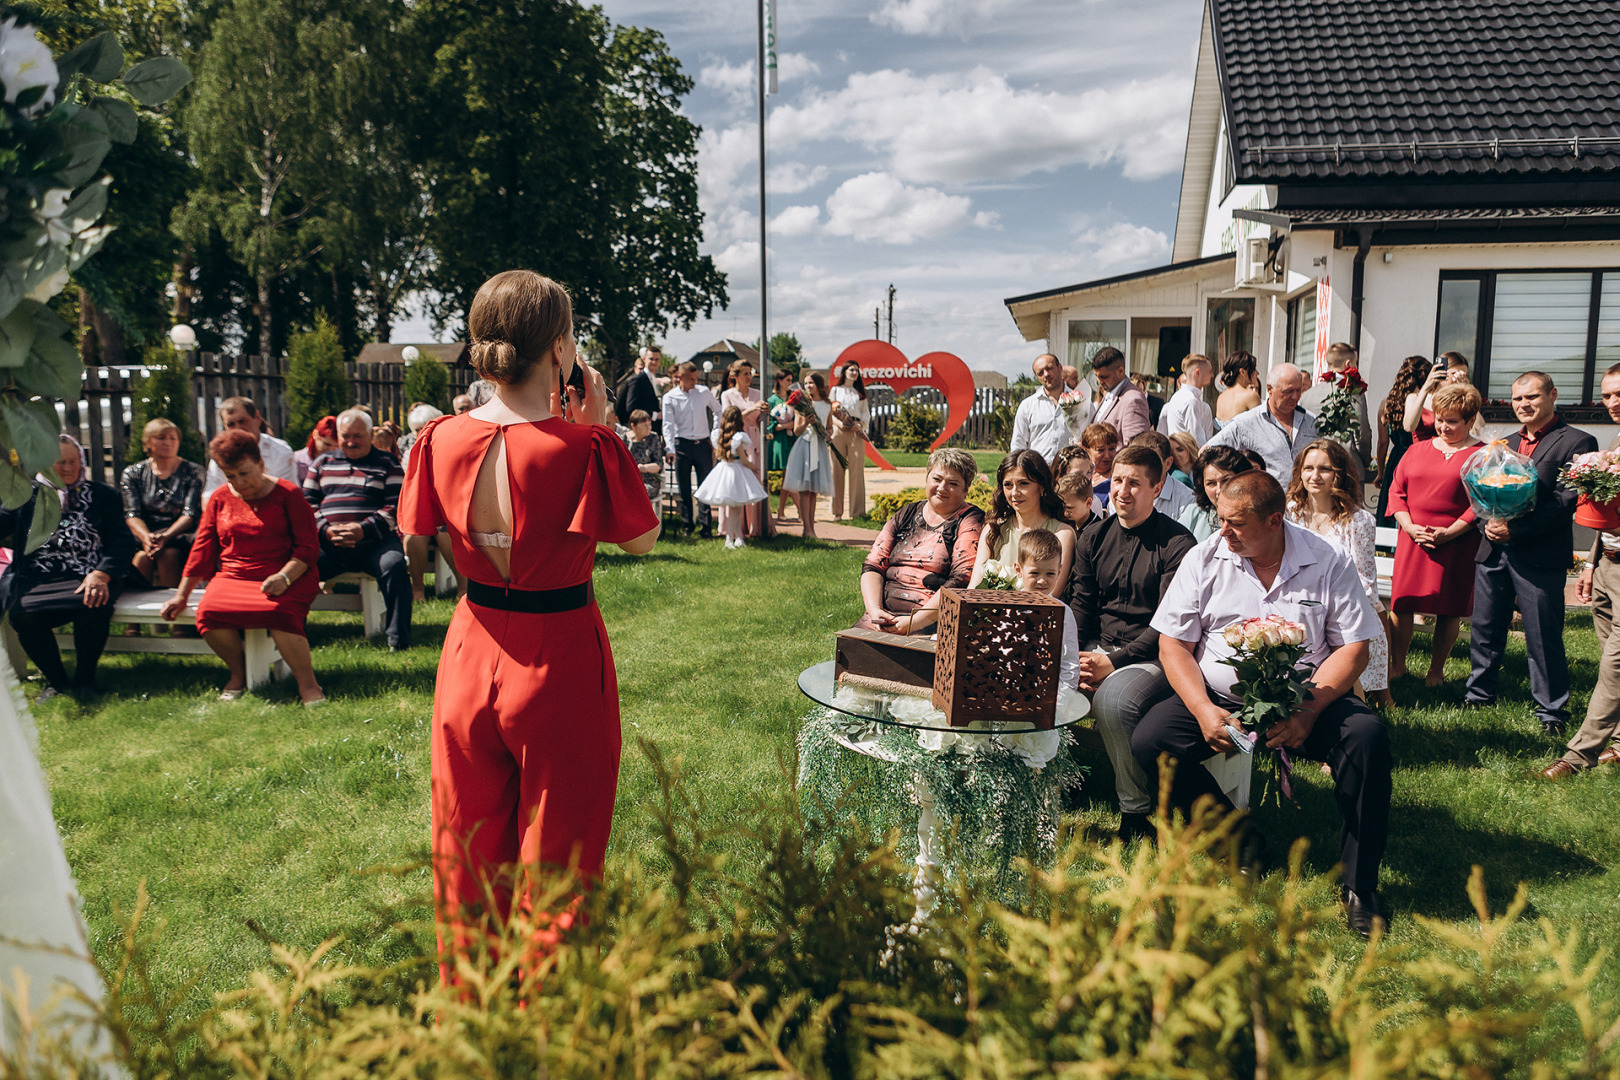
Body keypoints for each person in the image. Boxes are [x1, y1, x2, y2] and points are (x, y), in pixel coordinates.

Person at [396, 270, 660, 983]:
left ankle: (471, 1010)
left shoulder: (435, 441)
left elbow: (434, 534)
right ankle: (542, 1021)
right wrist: (599, 432)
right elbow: (642, 540)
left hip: (471, 642)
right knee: (561, 854)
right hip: (561, 653)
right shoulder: (587, 448)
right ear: (561, 347)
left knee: (466, 846)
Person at [1131, 471, 1392, 936]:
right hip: (1223, 699)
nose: (1223, 531)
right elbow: (1172, 644)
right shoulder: (1205, 558)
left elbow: (1355, 647)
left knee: (1367, 737)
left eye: (1237, 523)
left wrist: (1309, 711)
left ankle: (1359, 885)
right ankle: (1239, 836)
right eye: (1221, 519)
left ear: (1275, 521)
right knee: (1153, 740)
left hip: (1307, 697)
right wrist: (1202, 710)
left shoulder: (1326, 559)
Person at [1070, 444, 1195, 842]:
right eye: (1118, 480)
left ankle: (1137, 816)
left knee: (1113, 699)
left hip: (1157, 657)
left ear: (1158, 488)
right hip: (1097, 648)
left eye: (1135, 483)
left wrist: (1114, 662)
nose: (1123, 491)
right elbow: (1081, 606)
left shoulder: (1177, 544)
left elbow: (1167, 625)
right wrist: (1074, 657)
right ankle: (1051, 787)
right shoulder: (1093, 536)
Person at [1463, 371, 1596, 735]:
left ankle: (1551, 711)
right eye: (1518, 399)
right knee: (1485, 629)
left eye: (1532, 397)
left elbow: (1565, 501)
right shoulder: (1501, 444)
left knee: (1542, 634)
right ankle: (1479, 696)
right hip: (1492, 550)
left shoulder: (1578, 441)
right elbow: (1479, 493)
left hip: (1539, 553)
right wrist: (1486, 523)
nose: (1524, 405)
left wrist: (1515, 529)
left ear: (1553, 395)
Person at [162, 429, 325, 705]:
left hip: (289, 573)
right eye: (230, 476)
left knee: (279, 611)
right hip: (234, 576)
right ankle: (239, 673)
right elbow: (202, 548)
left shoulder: (289, 494)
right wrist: (182, 594)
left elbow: (308, 549)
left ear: (261, 465)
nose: (239, 482)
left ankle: (308, 684)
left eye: (245, 473)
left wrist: (284, 578)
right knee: (208, 613)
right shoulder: (219, 498)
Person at [0, 436, 136, 700]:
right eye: (60, 462)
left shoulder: (103, 495)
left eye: (74, 461)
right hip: (39, 576)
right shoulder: (26, 495)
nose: (68, 468)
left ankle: (85, 680)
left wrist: (101, 574)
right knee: (23, 613)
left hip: (89, 572)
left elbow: (122, 541)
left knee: (94, 602)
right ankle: (57, 682)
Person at [1546, 363, 1620, 779]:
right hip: (1609, 564)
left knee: (1614, 666)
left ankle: (1578, 756)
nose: (1612, 403)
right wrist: (1591, 563)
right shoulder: (1618, 439)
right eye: (1607, 395)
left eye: (1619, 395)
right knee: (1611, 656)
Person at [1386, 382, 1485, 686]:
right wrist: (1410, 526)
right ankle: (1398, 665)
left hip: (1458, 539)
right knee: (1402, 603)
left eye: (1452, 421)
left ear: (1470, 420)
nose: (1443, 426)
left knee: (1450, 607)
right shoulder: (1416, 450)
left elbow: (1482, 500)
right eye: (1440, 419)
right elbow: (1396, 491)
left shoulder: (1481, 454)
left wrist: (1451, 532)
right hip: (1413, 537)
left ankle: (1436, 671)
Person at [1286, 438, 1391, 707]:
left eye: (1325, 469)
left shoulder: (1358, 521)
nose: (1315, 476)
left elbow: (1366, 582)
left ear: (1339, 474)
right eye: (1308, 468)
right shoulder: (1289, 515)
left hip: (1343, 604)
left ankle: (1360, 701)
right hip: (1295, 603)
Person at [301, 409, 413, 650]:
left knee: (395, 566)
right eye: (345, 436)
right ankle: (293, 634)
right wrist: (325, 530)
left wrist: (364, 529)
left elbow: (397, 506)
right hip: (329, 543)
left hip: (376, 542)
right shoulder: (322, 463)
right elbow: (306, 503)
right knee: (298, 567)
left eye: (358, 436)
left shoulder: (387, 463)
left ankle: (398, 639)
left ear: (370, 434)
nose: (351, 442)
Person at [855, 447, 985, 634]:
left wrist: (914, 622)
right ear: (927, 479)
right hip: (881, 617)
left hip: (931, 624)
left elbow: (961, 579)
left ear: (966, 489)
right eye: (937, 479)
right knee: (851, 654)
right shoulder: (907, 513)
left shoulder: (970, 520)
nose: (942, 488)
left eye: (953, 483)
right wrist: (875, 611)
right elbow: (873, 565)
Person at [969, 449, 1075, 587]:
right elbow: (974, 587)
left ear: (1042, 486)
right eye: (1008, 485)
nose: (1015, 493)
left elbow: (1052, 592)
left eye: (1023, 483)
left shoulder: (1061, 534)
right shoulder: (993, 529)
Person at [121, 418, 206, 588]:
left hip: (180, 534)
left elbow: (190, 513)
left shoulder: (194, 471)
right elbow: (132, 513)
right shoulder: (133, 473)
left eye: (172, 438)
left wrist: (166, 537)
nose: (167, 442)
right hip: (147, 533)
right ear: (147, 442)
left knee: (169, 556)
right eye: (161, 438)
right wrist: (146, 537)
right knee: (142, 557)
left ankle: (174, 605)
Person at [1203, 362, 1318, 484]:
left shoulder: (1311, 421)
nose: (1295, 397)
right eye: (1288, 391)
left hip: (1305, 500)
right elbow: (1207, 451)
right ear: (1269, 389)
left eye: (1298, 390)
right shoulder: (1246, 423)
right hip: (1267, 500)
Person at [695, 405, 768, 549]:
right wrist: (755, 467)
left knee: (735, 509)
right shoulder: (739, 437)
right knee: (736, 510)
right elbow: (743, 458)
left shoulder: (718, 435)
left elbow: (719, 453)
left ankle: (738, 537)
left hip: (724, 469)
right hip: (737, 470)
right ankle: (729, 539)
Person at [662, 360, 721, 539]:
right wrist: (670, 448)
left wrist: (715, 433)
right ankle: (688, 526)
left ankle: (706, 528)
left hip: (703, 445)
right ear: (680, 377)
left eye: (696, 379)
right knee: (684, 489)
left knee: (705, 488)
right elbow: (668, 425)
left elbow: (718, 411)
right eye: (691, 379)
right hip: (682, 446)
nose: (695, 382)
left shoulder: (704, 392)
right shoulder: (670, 397)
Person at [1374, 356, 1434, 526]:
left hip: (1396, 457)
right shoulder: (1426, 403)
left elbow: (1382, 442)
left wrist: (1381, 472)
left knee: (1392, 499)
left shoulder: (1386, 404)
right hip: (1419, 456)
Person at [1299, 342, 1373, 475]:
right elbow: (1362, 433)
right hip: (1346, 465)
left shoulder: (1307, 395)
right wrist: (1365, 461)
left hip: (1315, 467)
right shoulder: (1353, 391)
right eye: (1356, 363)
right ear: (1348, 364)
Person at [203, 397, 296, 500]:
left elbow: (288, 494)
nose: (238, 428)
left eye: (242, 421)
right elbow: (209, 497)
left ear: (257, 418)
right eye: (231, 424)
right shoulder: (221, 455)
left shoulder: (280, 451)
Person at [720, 359, 773, 538]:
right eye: (745, 374)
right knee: (735, 484)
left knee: (755, 482)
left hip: (754, 439)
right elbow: (728, 418)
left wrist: (766, 415)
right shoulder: (727, 394)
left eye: (750, 373)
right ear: (735, 376)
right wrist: (752, 409)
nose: (749, 377)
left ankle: (756, 526)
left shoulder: (757, 393)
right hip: (736, 441)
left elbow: (760, 419)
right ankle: (733, 530)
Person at [782, 372, 834, 539]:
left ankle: (812, 527)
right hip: (805, 446)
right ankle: (807, 528)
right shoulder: (802, 404)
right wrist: (806, 421)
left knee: (814, 491)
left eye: (811, 383)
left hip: (819, 447)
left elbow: (829, 426)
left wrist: (828, 434)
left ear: (819, 384)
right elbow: (797, 431)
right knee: (805, 489)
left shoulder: (827, 404)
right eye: (805, 383)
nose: (808, 386)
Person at [1009, 352, 1081, 461]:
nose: (1046, 374)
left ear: (1060, 368)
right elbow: (1018, 444)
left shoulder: (1080, 401)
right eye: (1040, 373)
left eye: (1049, 368)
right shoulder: (1027, 406)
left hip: (1070, 471)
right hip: (1038, 473)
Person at [1177, 445, 1255, 542]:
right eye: (1211, 483)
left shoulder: (1255, 514)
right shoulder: (1194, 513)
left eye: (1226, 480)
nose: (1219, 490)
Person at [828, 359, 870, 520]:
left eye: (856, 370)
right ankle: (837, 512)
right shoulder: (835, 390)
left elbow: (865, 413)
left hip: (856, 433)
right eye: (851, 369)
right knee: (836, 471)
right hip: (838, 432)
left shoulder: (860, 393)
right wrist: (838, 424)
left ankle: (857, 512)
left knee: (857, 471)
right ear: (844, 372)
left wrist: (860, 424)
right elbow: (829, 411)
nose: (854, 373)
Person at [1125, 431, 1196, 522]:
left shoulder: (1187, 500)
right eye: (1137, 462)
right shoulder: (1122, 495)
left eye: (1152, 464)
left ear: (1167, 464)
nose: (1144, 470)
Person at [1403, 352, 1472, 440]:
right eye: (1454, 373)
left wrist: (1467, 392)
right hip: (1424, 450)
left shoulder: (1460, 402)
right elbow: (1409, 427)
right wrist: (1426, 388)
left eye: (1463, 375)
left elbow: (1479, 429)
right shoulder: (1415, 397)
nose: (1458, 379)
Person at [1091, 347, 1150, 445]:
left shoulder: (1133, 400)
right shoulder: (1109, 392)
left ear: (1120, 371)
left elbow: (1136, 449)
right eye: (1096, 376)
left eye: (1104, 377)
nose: (1100, 382)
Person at [765, 369, 799, 527]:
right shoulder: (772, 400)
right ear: (779, 380)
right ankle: (800, 509)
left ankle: (780, 510)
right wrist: (783, 425)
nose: (790, 383)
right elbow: (768, 424)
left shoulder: (793, 398)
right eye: (787, 380)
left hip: (792, 438)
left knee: (788, 476)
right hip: (780, 440)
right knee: (788, 474)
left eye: (791, 380)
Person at [1157, 354, 1215, 446]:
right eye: (1210, 371)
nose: (1212, 375)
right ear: (1197, 373)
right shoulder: (1190, 400)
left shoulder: (1178, 397)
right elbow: (1196, 441)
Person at [617, 345, 664, 434]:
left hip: (653, 431)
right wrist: (655, 415)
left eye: (657, 359)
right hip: (640, 431)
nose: (654, 362)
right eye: (651, 359)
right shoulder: (637, 380)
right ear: (644, 359)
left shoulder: (653, 379)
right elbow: (631, 408)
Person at [1214, 351, 1261, 433]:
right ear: (1242, 372)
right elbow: (1260, 429)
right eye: (1253, 369)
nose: (1257, 373)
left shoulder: (1221, 397)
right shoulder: (1251, 396)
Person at [626, 409, 663, 504]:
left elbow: (659, 464)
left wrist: (643, 468)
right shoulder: (625, 439)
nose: (649, 427)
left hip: (647, 481)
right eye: (645, 425)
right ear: (633, 426)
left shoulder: (653, 438)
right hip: (627, 480)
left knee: (636, 492)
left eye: (649, 424)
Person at [1082, 422, 1120, 510]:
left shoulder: (1118, 479)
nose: (1107, 455)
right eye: (1101, 450)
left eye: (1111, 449)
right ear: (1086, 450)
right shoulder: (1078, 475)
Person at [293, 416, 338, 485]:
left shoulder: (342, 463)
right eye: (327, 444)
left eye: (337, 446)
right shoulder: (296, 460)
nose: (332, 449)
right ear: (315, 434)